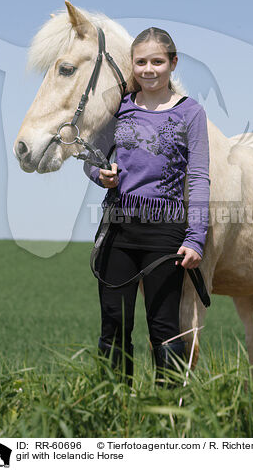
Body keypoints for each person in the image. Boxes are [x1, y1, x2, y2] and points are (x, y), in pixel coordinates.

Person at [83, 27, 210, 386]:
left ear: (173, 63)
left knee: (164, 329)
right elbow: (92, 159)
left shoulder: (191, 113)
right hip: (118, 225)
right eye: (141, 62)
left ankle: (168, 415)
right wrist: (99, 174)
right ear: (132, 65)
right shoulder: (118, 107)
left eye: (157, 61)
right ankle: (111, 410)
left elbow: (200, 177)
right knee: (114, 325)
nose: (149, 69)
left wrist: (196, 237)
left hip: (166, 230)